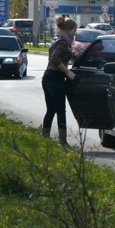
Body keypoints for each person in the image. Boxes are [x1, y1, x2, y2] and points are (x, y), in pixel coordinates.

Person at [41, 16, 78, 146]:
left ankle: (44, 138)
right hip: (55, 78)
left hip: (48, 77)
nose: (75, 34)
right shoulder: (63, 41)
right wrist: (67, 72)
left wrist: (75, 56)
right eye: (74, 31)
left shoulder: (59, 39)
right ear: (68, 30)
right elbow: (55, 59)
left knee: (51, 110)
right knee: (60, 110)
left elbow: (63, 55)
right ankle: (62, 141)